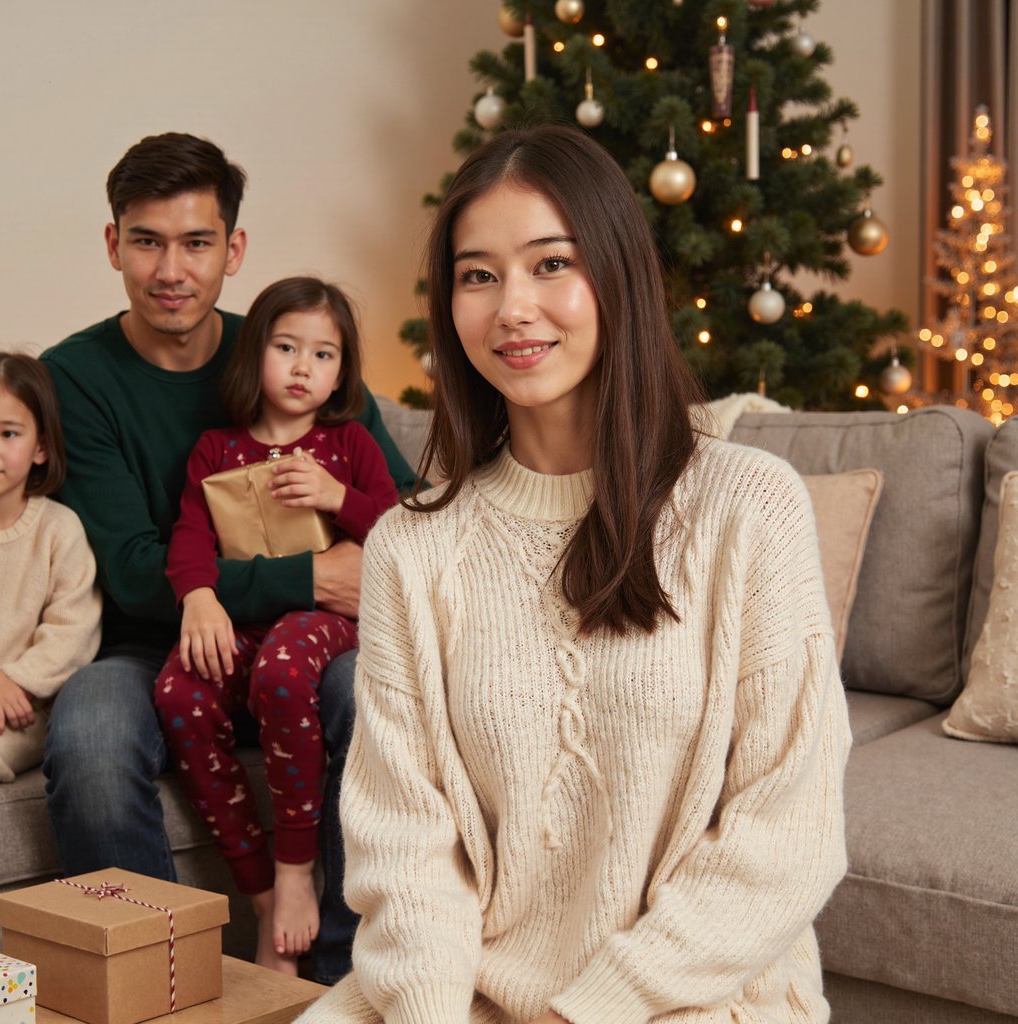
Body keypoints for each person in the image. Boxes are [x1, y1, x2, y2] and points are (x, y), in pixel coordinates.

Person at [297, 125, 852, 1024]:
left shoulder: (751, 507)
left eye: (551, 263)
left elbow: (786, 835)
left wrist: (583, 1012)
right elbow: (405, 844)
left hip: (694, 996)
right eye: (478, 275)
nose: (513, 306)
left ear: (618, 274)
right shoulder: (413, 545)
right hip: (467, 992)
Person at [40, 133, 414, 984]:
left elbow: (405, 509)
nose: (172, 269)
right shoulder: (73, 379)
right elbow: (135, 570)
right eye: (147, 241)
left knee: (368, 691)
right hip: (152, 639)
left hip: (309, 641)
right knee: (92, 735)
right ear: (114, 246)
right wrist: (313, 575)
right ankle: (161, 985)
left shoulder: (291, 351)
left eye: (197, 242)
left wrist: (334, 576)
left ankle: (332, 977)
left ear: (233, 250)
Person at [155, 276, 399, 973]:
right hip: (244, 624)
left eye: (323, 355)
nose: (302, 367)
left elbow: (400, 532)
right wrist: (199, 597)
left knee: (285, 665)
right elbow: (190, 539)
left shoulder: (349, 444)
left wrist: (337, 497)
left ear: (342, 371)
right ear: (253, 354)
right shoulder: (215, 449)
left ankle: (297, 871)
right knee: (178, 691)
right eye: (286, 347)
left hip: (322, 626)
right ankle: (262, 896)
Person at [0, 353, 101, 783]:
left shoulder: (59, 528)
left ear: (40, 446)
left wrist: (13, 682)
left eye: (8, 433)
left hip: (22, 710)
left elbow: (73, 631)